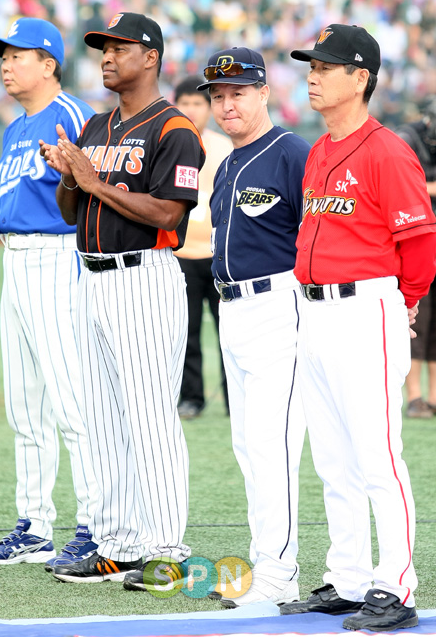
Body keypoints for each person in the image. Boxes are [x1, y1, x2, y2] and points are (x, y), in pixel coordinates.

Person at [39, 12, 205, 589]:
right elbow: (73, 212)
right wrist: (68, 176)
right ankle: (117, 546)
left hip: (145, 279)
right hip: (93, 279)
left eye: (119, 47)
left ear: (150, 57)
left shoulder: (173, 128)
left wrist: (93, 182)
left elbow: (168, 213)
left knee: (149, 419)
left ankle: (166, 551)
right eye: (102, 48)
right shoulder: (95, 127)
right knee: (104, 419)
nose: (107, 56)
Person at [281, 24, 436, 631]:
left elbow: (419, 242)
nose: (312, 75)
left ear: (360, 77)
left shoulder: (387, 150)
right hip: (314, 311)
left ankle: (395, 585)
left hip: (366, 308)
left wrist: (407, 301)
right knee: (333, 459)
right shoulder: (319, 149)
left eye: (325, 65)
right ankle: (348, 579)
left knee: (377, 457)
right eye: (310, 65)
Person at [0, 18, 99, 569]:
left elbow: (96, 193)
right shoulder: (13, 128)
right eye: (2, 56)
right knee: (24, 406)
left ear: (48, 63)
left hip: (57, 256)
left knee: (74, 402)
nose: (6, 64)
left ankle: (97, 526)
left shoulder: (71, 115)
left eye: (17, 55)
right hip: (14, 261)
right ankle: (34, 527)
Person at [197, 47, 310, 607]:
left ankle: (279, 574)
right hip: (234, 310)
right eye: (217, 96)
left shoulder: (291, 152)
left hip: (279, 305)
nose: (227, 104)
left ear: (265, 92)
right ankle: (268, 562)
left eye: (238, 92)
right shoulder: (228, 162)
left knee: (273, 446)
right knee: (248, 445)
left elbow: (319, 237)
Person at [173, 76, 232, 419]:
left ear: (209, 108)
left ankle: (233, 399)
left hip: (217, 255)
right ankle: (191, 398)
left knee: (229, 332)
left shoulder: (224, 146)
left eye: (198, 103)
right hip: (180, 255)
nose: (191, 109)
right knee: (187, 333)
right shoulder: (167, 143)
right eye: (185, 102)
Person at [394, 98, 436, 418]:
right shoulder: (407, 138)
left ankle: (433, 398)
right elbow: (398, 182)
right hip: (417, 242)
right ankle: (415, 397)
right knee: (417, 322)